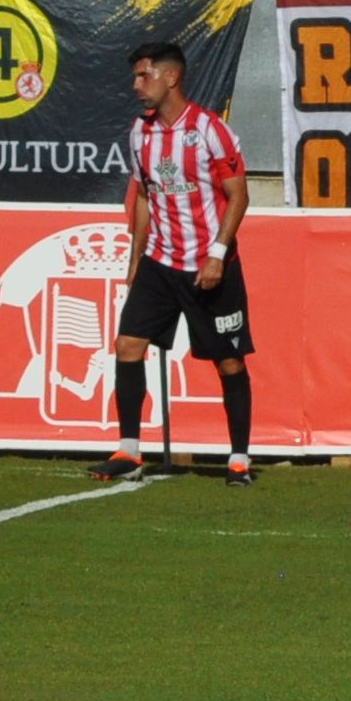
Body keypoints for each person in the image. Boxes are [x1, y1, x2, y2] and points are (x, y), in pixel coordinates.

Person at [96, 40, 256, 486]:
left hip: (208, 264)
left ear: (171, 77)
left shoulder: (209, 129)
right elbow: (144, 198)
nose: (136, 85)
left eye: (143, 76)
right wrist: (135, 262)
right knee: (128, 344)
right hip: (159, 264)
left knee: (229, 362)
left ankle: (239, 459)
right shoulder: (139, 131)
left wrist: (218, 256)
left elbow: (239, 195)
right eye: (135, 77)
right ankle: (129, 451)